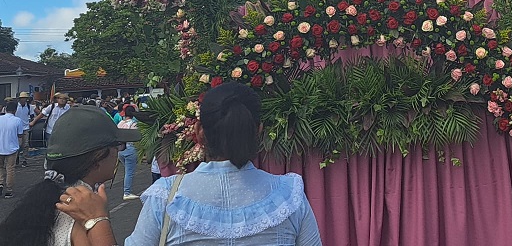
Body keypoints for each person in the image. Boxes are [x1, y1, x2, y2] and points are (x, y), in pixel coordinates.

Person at [57, 82, 323, 245]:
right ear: (260, 131)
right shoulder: (289, 197)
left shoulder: (167, 196)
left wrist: (97, 220)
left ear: (197, 133)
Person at [0, 106, 139, 246]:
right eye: (118, 145)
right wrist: (98, 221)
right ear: (98, 158)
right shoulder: (82, 212)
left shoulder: (44, 200)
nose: (119, 151)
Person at [0, 101, 26, 199]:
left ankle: (0, 183)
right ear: (15, 110)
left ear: (5, 109)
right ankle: (9, 190)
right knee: (10, 169)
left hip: (0, 147)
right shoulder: (17, 120)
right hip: (12, 147)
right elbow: (20, 134)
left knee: (0, 167)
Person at [117, 105, 139, 200]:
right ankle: (127, 192)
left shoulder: (120, 123)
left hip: (120, 150)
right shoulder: (134, 124)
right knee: (129, 172)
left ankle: (127, 190)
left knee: (127, 171)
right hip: (130, 148)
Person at [14, 91, 34, 167]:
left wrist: (31, 123)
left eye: (25, 98)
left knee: (25, 145)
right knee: (18, 145)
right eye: (22, 98)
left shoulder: (29, 107)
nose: (23, 100)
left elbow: (32, 116)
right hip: (16, 127)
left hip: (25, 127)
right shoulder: (16, 106)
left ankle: (24, 160)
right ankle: (17, 158)